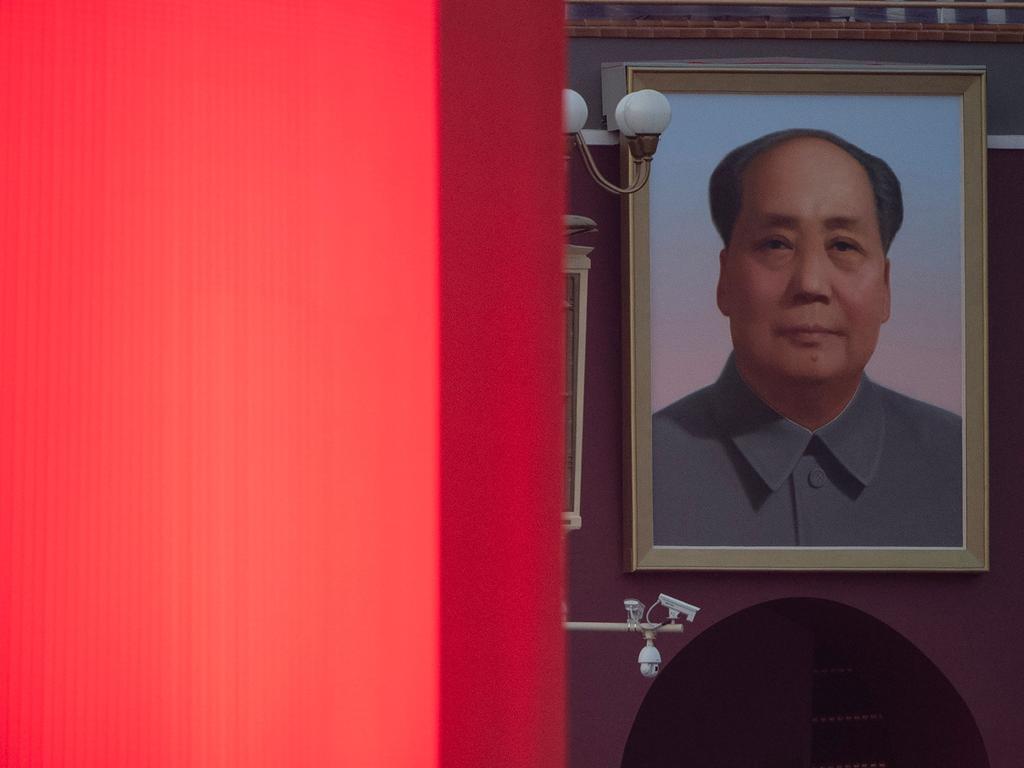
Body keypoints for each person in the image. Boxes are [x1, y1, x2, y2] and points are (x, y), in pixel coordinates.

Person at [652, 129, 963, 547]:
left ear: (886, 286)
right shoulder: (646, 462)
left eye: (843, 246)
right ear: (724, 279)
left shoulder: (964, 464)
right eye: (777, 244)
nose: (811, 284)